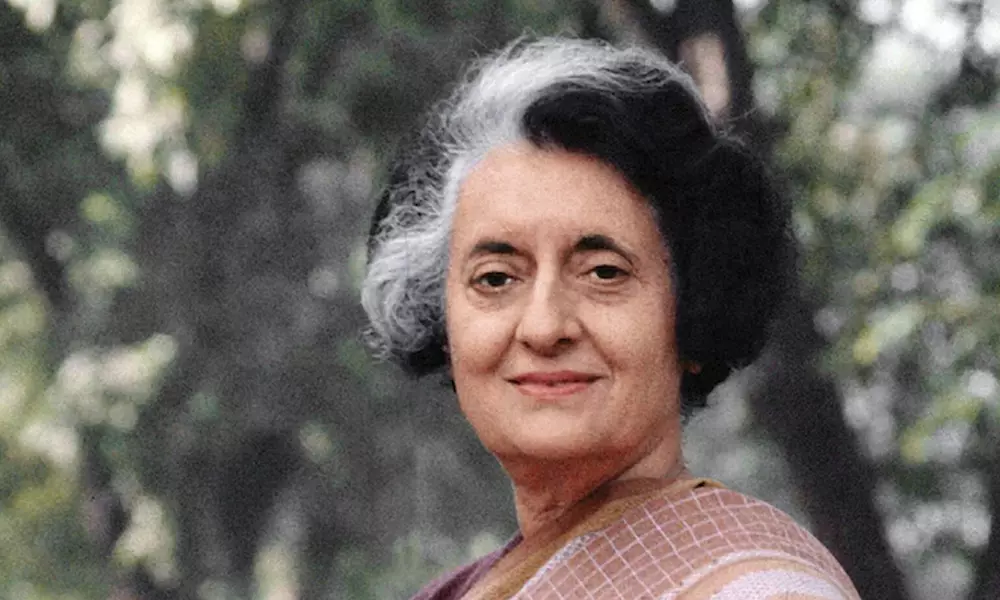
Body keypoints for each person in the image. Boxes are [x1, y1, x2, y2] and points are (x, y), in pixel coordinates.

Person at [361, 37, 862, 600]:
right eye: (496, 279)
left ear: (695, 311)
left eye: (603, 273)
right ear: (443, 321)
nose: (543, 327)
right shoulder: (460, 592)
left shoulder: (759, 589)